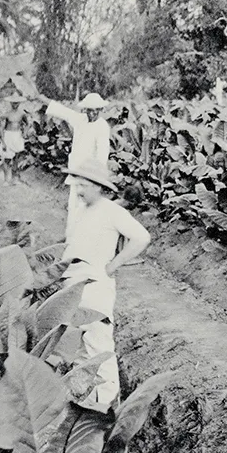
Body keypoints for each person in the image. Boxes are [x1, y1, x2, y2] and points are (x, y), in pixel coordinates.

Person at [59, 159, 151, 412]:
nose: (79, 190)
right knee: (79, 347)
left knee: (99, 348)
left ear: (99, 187)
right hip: (74, 286)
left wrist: (114, 263)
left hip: (94, 290)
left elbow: (142, 237)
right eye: (77, 184)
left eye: (85, 185)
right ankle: (85, 405)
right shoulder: (83, 210)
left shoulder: (111, 211)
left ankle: (108, 409)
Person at [34, 91, 112, 237]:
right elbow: (61, 110)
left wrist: (98, 176)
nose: (93, 113)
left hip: (90, 174)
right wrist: (40, 97)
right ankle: (71, 236)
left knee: (85, 206)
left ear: (100, 110)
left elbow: (102, 153)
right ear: (86, 110)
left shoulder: (102, 126)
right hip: (76, 170)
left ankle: (83, 237)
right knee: (73, 204)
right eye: (90, 110)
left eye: (96, 110)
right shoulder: (79, 119)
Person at [0, 94, 28, 184]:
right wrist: (3, 141)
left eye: (17, 103)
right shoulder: (6, 114)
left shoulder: (22, 114)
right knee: (6, 158)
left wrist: (25, 132)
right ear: (10, 103)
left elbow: (28, 124)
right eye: (13, 103)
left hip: (17, 135)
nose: (15, 105)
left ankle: (15, 178)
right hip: (8, 136)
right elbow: (1, 128)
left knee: (16, 158)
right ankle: (7, 179)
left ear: (19, 103)